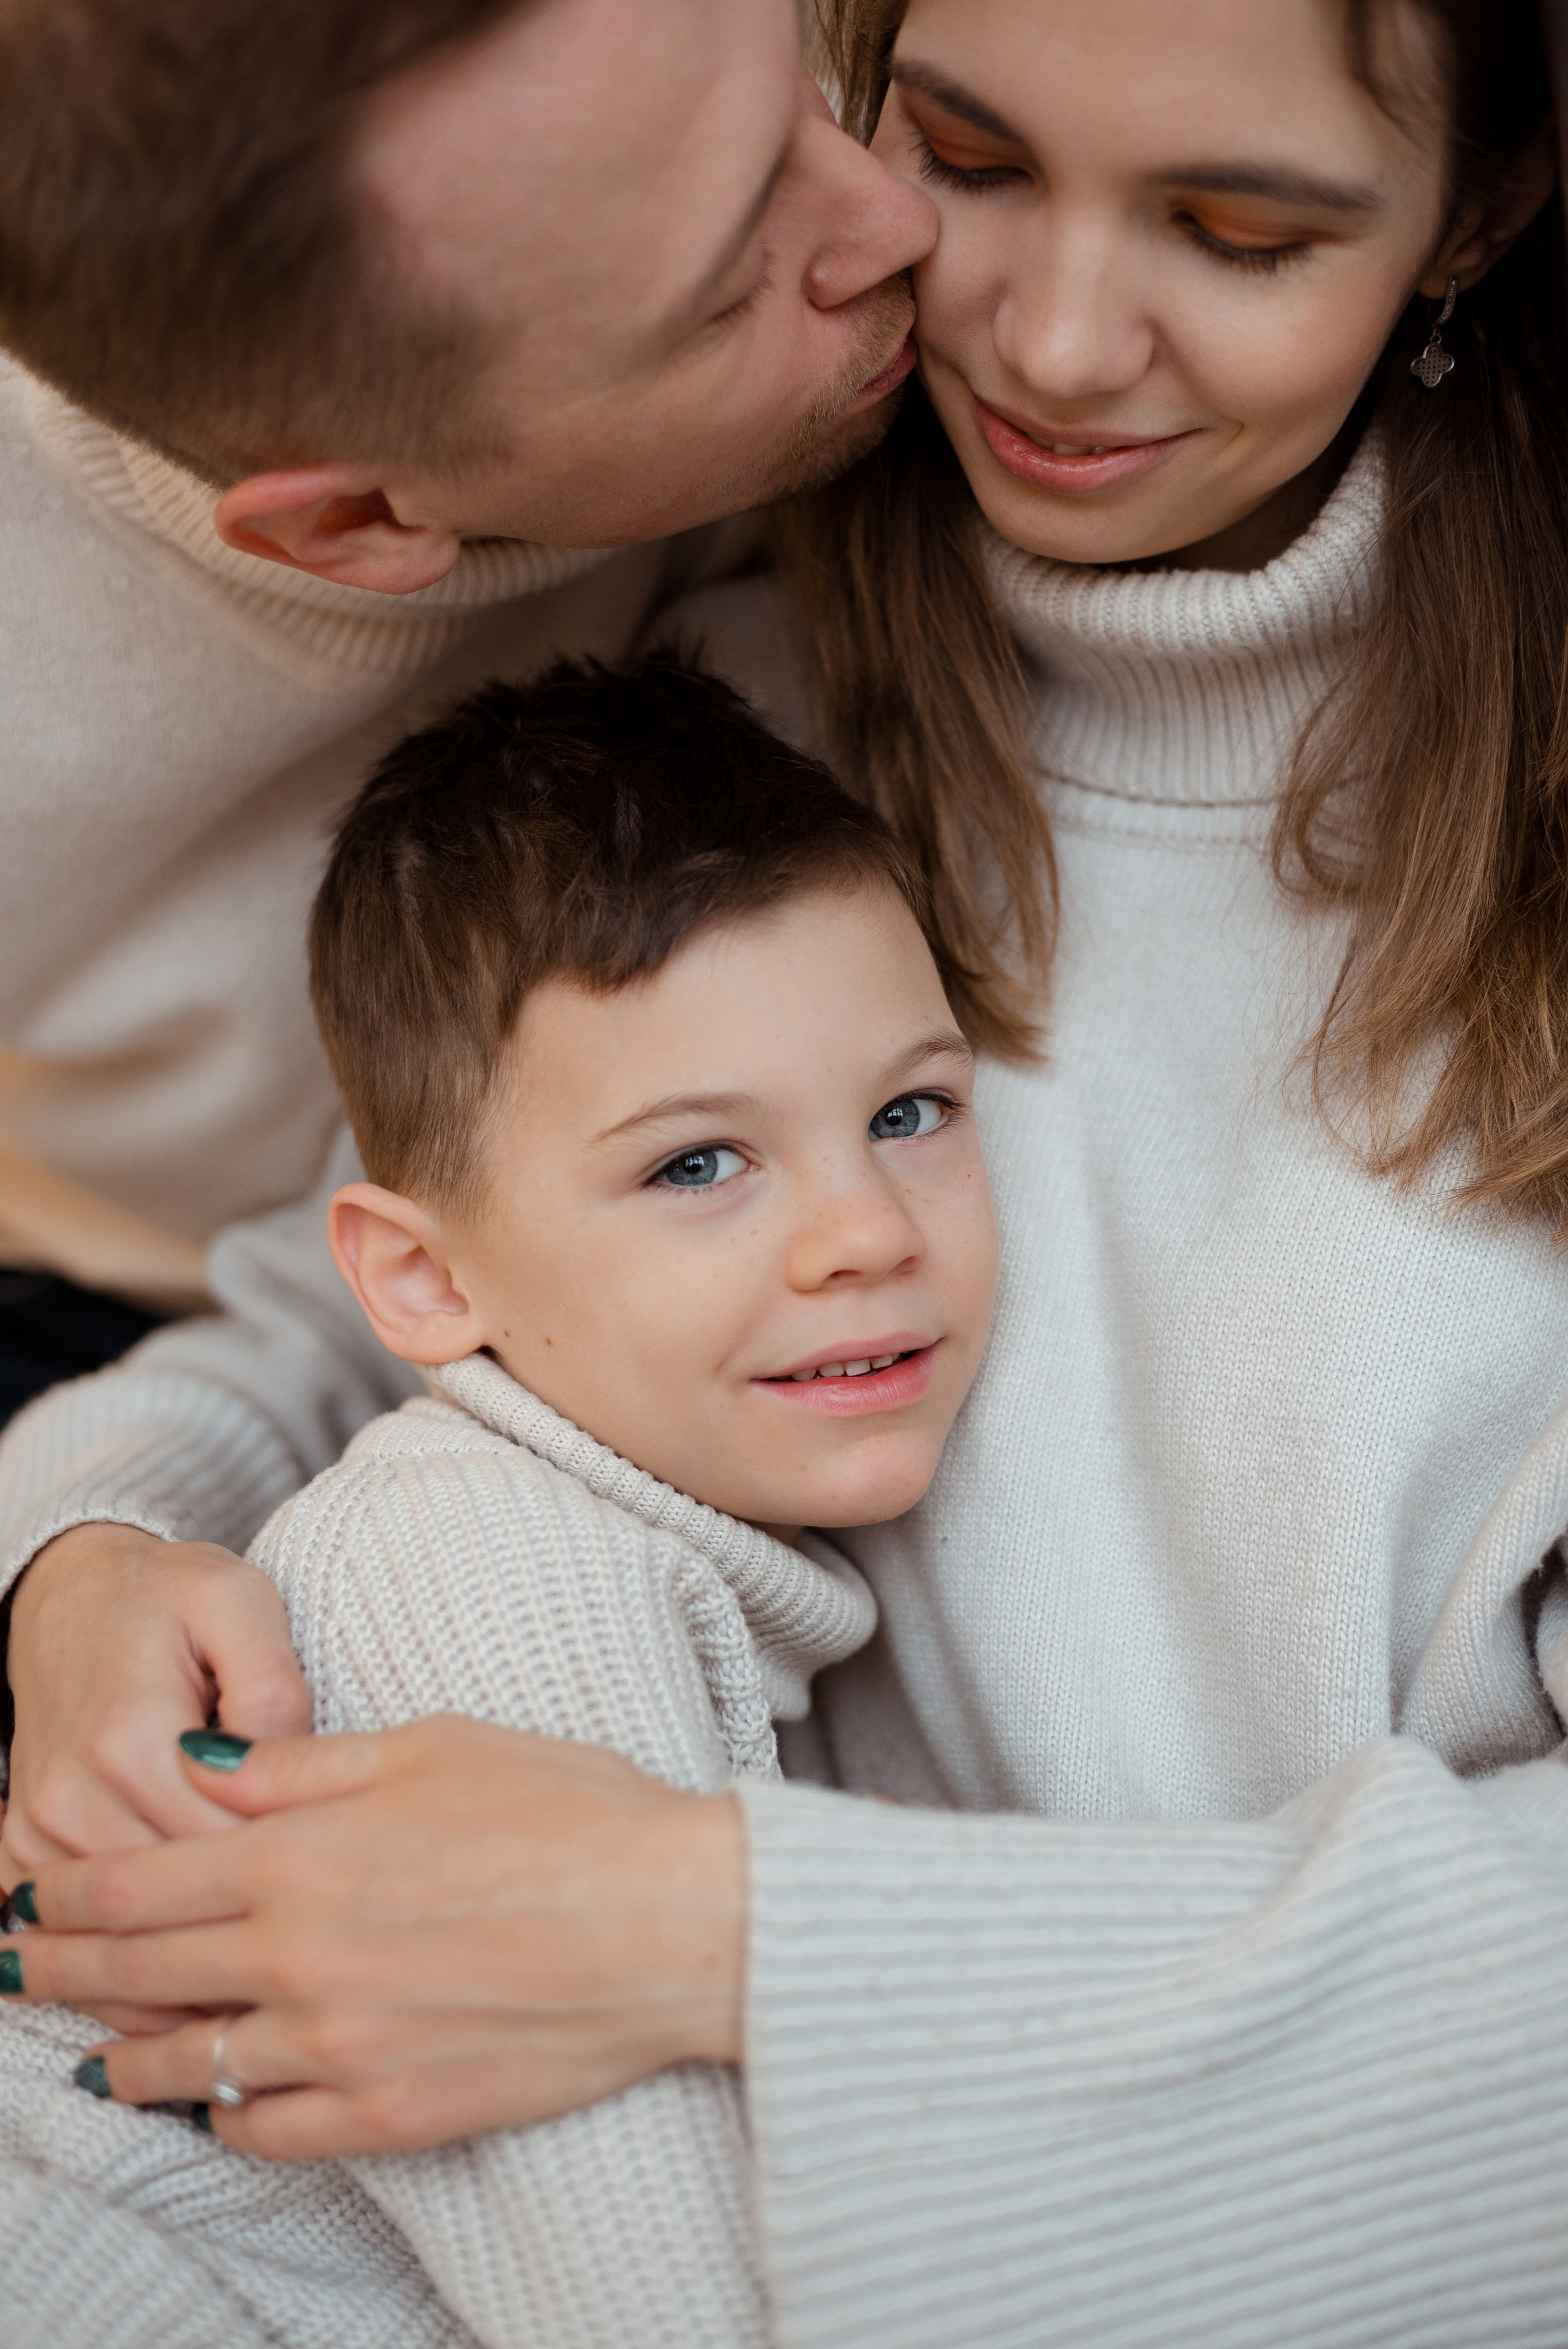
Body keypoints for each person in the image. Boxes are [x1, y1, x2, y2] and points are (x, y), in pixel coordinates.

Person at [7, 0, 1568, 2343]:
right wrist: (96, 1540)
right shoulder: (760, 675)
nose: (1038, 333)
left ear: (1478, 216)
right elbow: (409, 1299)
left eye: (1239, 231)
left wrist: (705, 1928)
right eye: (955, 149)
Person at [1, 652, 997, 2346]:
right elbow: (669, 2316)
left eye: (909, 1112)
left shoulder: (667, 1544)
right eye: (699, 1162)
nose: (867, 1232)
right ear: (418, 1277)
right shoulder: (489, 1566)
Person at [0, 0, 930, 1412]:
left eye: (801, 85)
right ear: (359, 523)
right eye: (731, 287)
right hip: (142, 1311)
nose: (893, 219)